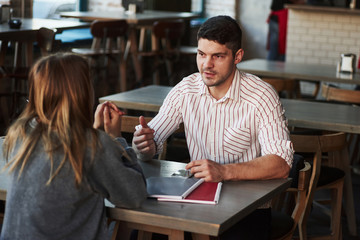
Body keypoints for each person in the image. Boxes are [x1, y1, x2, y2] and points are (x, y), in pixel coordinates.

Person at [132, 15, 294, 239]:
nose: (206, 65)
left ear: (237, 56)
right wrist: (143, 145)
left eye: (217, 56)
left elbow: (281, 163)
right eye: (201, 54)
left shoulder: (261, 96)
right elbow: (152, 141)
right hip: (195, 203)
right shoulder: (185, 89)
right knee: (142, 233)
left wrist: (224, 171)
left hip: (247, 210)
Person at [0, 53, 147, 240]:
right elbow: (134, 195)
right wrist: (115, 139)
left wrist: (93, 132)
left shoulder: (20, 134)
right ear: (83, 94)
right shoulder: (92, 145)